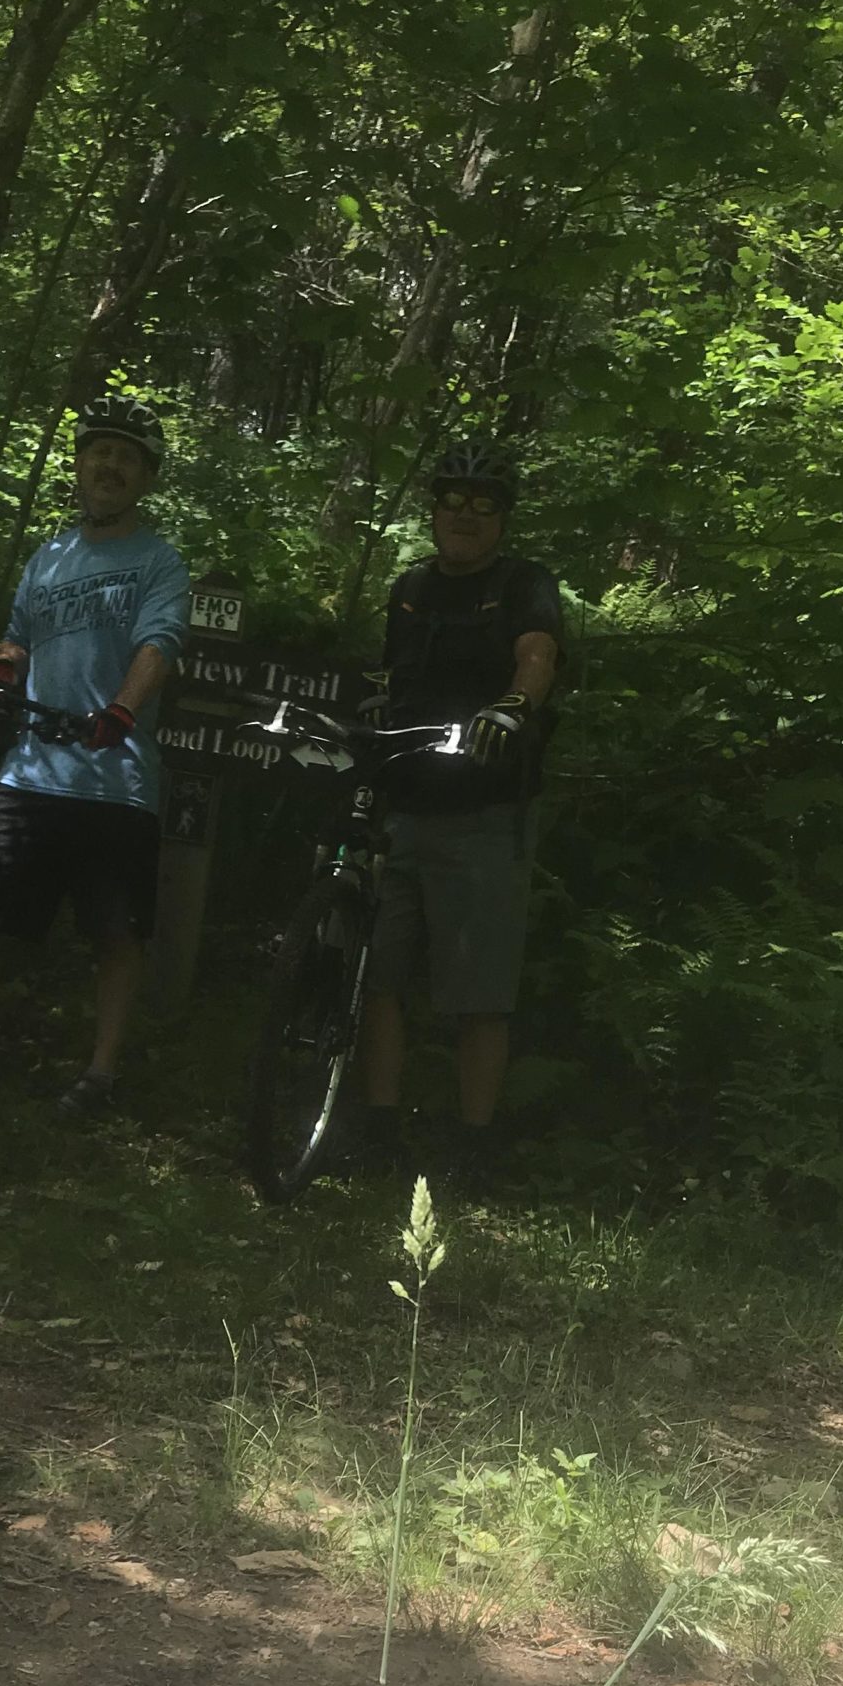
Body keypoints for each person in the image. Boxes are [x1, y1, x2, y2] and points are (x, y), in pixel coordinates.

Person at [0, 394, 191, 1118]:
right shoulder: (51, 554)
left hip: (116, 778)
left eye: (127, 458)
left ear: (146, 478)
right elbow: (18, 636)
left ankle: (100, 1074)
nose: (110, 465)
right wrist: (3, 672)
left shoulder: (159, 561)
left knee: (114, 931)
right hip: (29, 767)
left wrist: (123, 711)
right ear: (79, 465)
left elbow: (159, 645)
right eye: (100, 452)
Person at [359, 437, 563, 1179]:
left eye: (483, 506)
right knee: (377, 974)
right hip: (404, 803)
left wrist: (512, 707)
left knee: (479, 987)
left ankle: (475, 1144)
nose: (465, 517)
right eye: (452, 501)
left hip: (483, 809)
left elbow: (536, 657)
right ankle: (378, 1126)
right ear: (434, 509)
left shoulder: (523, 585)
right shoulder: (411, 585)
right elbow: (389, 673)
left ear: (503, 519)